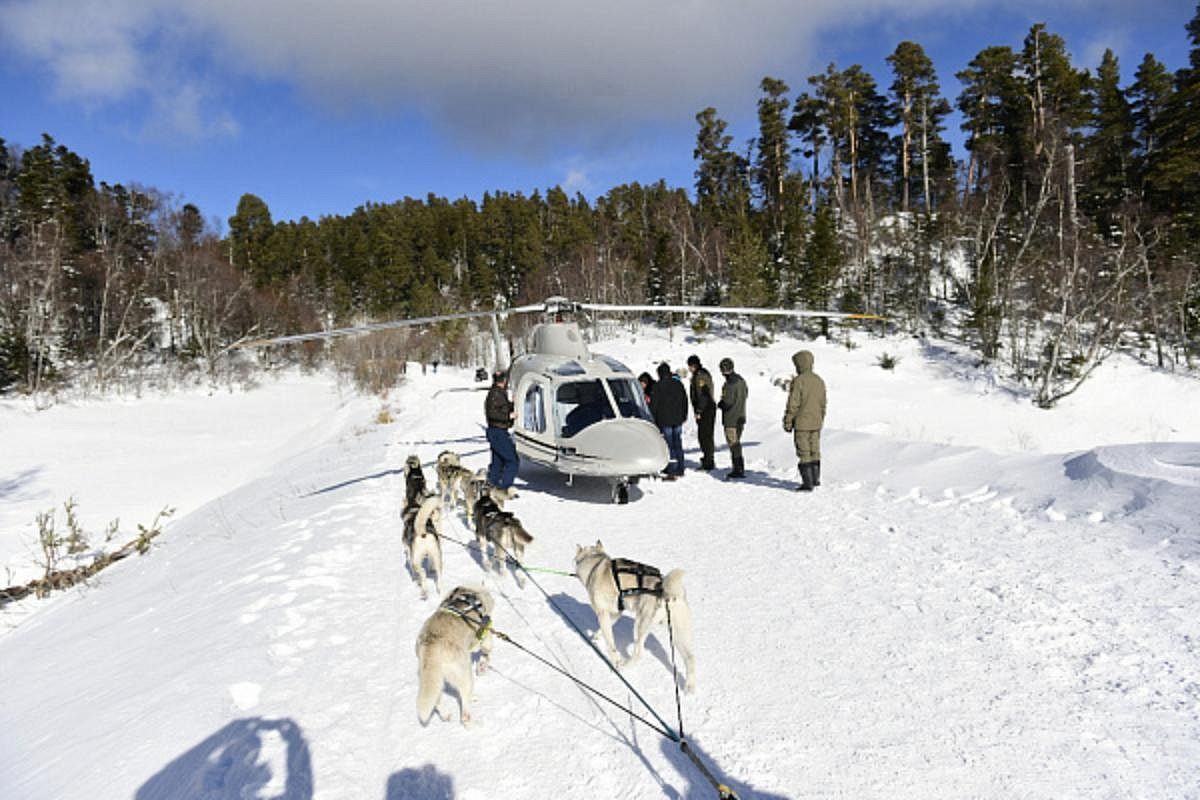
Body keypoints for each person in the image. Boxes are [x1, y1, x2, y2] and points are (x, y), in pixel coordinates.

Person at [782, 350, 826, 492]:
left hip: (802, 423)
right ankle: (815, 479)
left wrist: (788, 421)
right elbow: (823, 403)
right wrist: (821, 419)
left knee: (804, 452)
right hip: (816, 422)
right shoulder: (819, 380)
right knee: (815, 450)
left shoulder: (799, 381)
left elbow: (793, 404)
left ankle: (807, 484)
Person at [650, 362, 688, 479]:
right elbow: (684, 401)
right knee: (678, 443)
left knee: (669, 444)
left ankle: (672, 469)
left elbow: (654, 405)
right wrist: (684, 415)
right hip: (678, 419)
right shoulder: (678, 384)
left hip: (665, 419)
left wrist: (653, 419)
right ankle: (680, 467)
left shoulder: (658, 386)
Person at [484, 370, 519, 489]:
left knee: (497, 462)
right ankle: (505, 487)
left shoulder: (498, 393)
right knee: (512, 460)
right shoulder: (495, 394)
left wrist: (512, 404)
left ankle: (491, 486)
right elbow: (493, 413)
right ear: (504, 381)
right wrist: (508, 416)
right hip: (498, 431)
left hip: (497, 431)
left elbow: (502, 407)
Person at [716, 357, 748, 480]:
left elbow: (727, 402)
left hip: (731, 419)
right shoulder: (741, 380)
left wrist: (720, 404)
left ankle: (738, 469)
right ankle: (739, 467)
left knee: (733, 444)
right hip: (741, 416)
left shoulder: (729, 384)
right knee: (737, 443)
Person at [686, 355, 716, 471]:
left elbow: (704, 395)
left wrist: (699, 410)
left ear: (693, 365)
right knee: (705, 435)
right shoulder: (701, 374)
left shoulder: (700, 376)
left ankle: (708, 461)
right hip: (706, 407)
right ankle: (708, 459)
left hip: (706, 409)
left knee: (705, 436)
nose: (689, 369)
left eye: (690, 366)